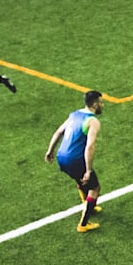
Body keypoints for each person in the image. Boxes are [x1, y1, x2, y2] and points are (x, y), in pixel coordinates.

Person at [45, 89, 104, 232]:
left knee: (81, 180)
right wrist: (88, 170)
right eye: (101, 103)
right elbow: (90, 147)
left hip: (62, 157)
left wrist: (50, 150)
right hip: (75, 159)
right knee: (94, 188)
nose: (103, 105)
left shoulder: (74, 115)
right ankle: (83, 224)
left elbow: (59, 131)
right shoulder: (93, 121)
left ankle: (88, 204)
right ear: (95, 104)